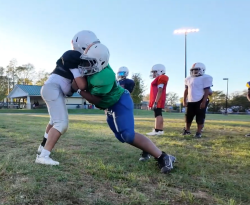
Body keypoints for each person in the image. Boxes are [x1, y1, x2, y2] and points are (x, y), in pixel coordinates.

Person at [76, 42, 176, 173]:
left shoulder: (104, 76)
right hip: (110, 105)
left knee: (128, 135)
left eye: (90, 62)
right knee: (121, 137)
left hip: (120, 101)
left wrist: (79, 90)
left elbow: (96, 100)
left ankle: (163, 156)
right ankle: (147, 148)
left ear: (99, 62)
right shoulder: (95, 67)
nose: (85, 65)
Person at [35, 30, 98, 166]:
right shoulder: (74, 56)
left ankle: (42, 148)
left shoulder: (76, 58)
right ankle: (43, 156)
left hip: (52, 88)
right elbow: (81, 84)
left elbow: (74, 86)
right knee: (61, 123)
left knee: (53, 122)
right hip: (52, 89)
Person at [182, 62, 213, 138]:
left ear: (202, 70)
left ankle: (198, 132)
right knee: (188, 116)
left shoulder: (206, 77)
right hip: (190, 99)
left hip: (201, 99)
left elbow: (207, 91)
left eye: (196, 70)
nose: (195, 71)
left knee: (200, 116)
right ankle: (187, 130)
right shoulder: (188, 78)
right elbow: (186, 90)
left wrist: (203, 102)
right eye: (193, 70)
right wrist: (184, 100)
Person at [146, 64, 169, 137]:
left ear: (160, 71)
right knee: (158, 113)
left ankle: (158, 130)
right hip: (157, 98)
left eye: (154, 72)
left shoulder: (162, 77)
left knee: (157, 113)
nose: (153, 74)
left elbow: (160, 90)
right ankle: (159, 130)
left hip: (158, 99)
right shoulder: (159, 77)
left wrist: (156, 102)